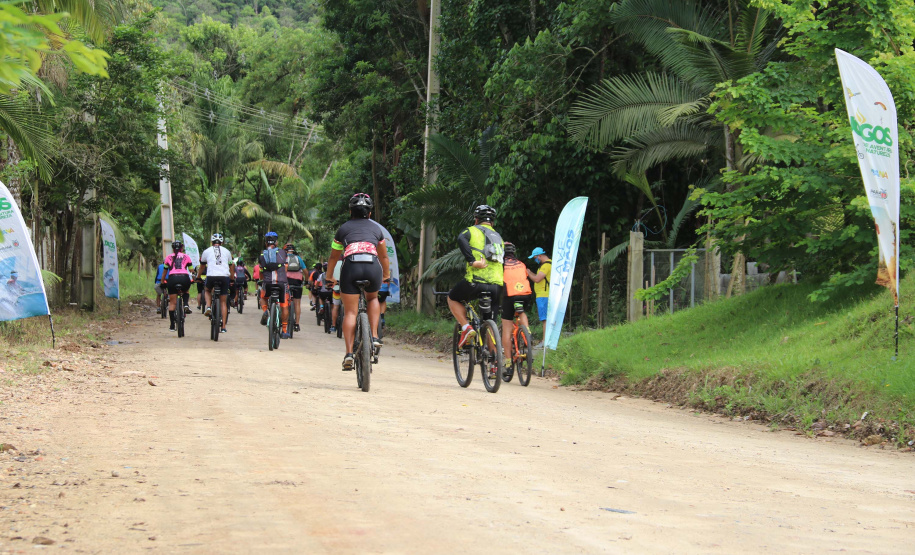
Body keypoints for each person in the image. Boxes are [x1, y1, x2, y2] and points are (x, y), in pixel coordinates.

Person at [325, 193, 391, 371]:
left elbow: (333, 257)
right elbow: (384, 255)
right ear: (369, 214)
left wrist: (329, 277)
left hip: (351, 268)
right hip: (372, 268)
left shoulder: (343, 229)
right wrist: (386, 274)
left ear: (350, 212)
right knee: (372, 299)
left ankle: (348, 354)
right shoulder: (377, 230)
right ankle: (375, 337)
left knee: (351, 313)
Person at [447, 205, 504, 348]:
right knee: (491, 323)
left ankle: (466, 327)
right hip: (496, 285)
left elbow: (461, 238)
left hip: (475, 282)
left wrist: (471, 261)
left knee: (452, 298)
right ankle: (494, 362)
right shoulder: (498, 237)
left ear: (476, 219)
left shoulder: (471, 230)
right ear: (492, 222)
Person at [500, 242, 533, 377]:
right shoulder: (521, 263)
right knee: (521, 312)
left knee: (506, 328)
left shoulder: (500, 265)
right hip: (525, 294)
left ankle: (508, 362)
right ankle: (527, 334)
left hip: (509, 295)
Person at [199, 233, 234, 334]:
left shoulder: (206, 251)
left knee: (207, 290)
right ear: (222, 242)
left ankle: (209, 306)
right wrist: (231, 278)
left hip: (211, 276)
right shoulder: (227, 251)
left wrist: (198, 276)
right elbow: (231, 265)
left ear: (212, 242)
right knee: (223, 302)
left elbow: (202, 266)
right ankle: (223, 326)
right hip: (224, 277)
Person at [258, 231, 291, 338]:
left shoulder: (262, 255)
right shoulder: (283, 253)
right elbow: (285, 268)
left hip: (267, 283)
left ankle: (265, 311)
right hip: (281, 282)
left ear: (265, 243)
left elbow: (261, 271)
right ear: (276, 242)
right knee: (284, 305)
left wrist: (261, 279)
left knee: (263, 297)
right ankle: (285, 330)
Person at [162, 241, 193, 331]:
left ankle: (172, 325)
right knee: (186, 290)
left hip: (172, 278)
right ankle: (186, 304)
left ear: (172, 249)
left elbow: (165, 271)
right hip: (184, 278)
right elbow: (191, 270)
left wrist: (162, 281)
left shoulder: (168, 258)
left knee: (172, 303)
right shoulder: (186, 257)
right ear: (181, 248)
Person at [527, 246, 552, 347]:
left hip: (544, 295)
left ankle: (545, 341)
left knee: (545, 319)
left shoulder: (546, 266)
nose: (535, 260)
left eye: (535, 258)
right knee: (545, 319)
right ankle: (546, 341)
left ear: (540, 256)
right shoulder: (545, 265)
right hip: (543, 295)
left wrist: (528, 273)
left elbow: (537, 279)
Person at [284, 244, 306, 332]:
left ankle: (284, 322)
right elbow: (305, 271)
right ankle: (297, 324)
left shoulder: (283, 258)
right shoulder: (298, 258)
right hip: (297, 281)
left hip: (286, 281)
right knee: (297, 303)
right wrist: (307, 281)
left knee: (284, 302)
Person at [329, 261, 342, 334]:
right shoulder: (348, 261)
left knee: (335, 307)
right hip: (348, 290)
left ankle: (333, 325)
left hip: (336, 288)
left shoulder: (333, 264)